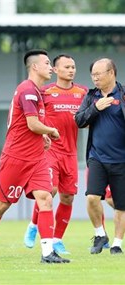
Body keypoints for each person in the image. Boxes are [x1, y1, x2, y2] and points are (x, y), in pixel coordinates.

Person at [0, 49, 70, 264]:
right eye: (47, 63)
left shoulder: (37, 92)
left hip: (36, 158)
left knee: (46, 198)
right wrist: (51, 131)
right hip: (16, 158)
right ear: (35, 67)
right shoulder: (27, 90)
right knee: (2, 205)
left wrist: (42, 138)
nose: (51, 67)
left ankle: (47, 253)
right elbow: (32, 124)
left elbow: (32, 126)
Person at [23, 54, 88, 254]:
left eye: (73, 66)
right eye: (67, 67)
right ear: (56, 70)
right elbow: (32, 117)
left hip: (71, 153)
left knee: (67, 197)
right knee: (48, 191)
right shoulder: (44, 92)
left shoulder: (83, 93)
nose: (71, 70)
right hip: (50, 151)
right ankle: (34, 226)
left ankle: (58, 240)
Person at [75, 57, 125, 255]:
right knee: (92, 198)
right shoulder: (91, 96)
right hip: (97, 157)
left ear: (111, 73)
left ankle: (117, 244)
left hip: (122, 160)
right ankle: (99, 233)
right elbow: (79, 120)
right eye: (92, 75)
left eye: (98, 74)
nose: (94, 79)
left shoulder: (123, 94)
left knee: (121, 205)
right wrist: (96, 108)